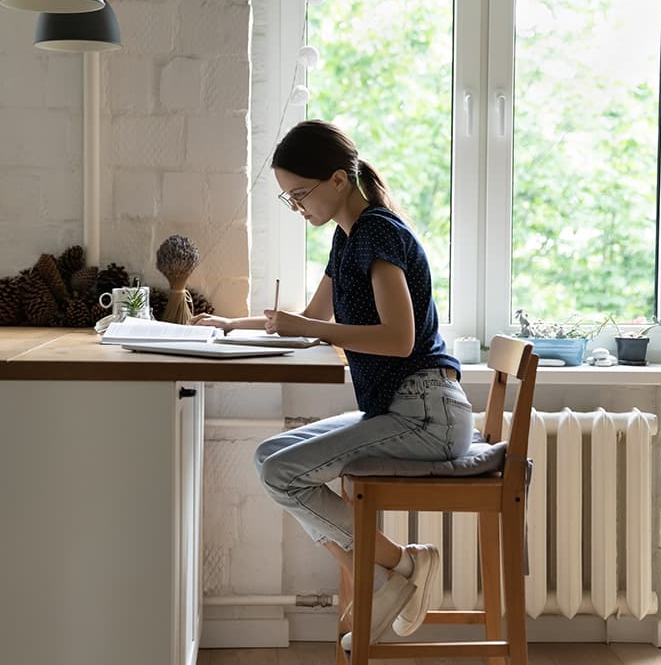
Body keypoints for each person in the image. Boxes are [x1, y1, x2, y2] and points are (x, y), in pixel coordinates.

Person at [189, 120, 473, 648]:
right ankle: (389, 575)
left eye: (300, 194)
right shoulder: (347, 240)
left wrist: (309, 328)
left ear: (339, 180)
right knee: (270, 458)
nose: (297, 207)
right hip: (403, 411)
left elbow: (399, 338)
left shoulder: (378, 233)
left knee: (280, 471)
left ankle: (400, 568)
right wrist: (229, 326)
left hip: (429, 414)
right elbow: (306, 317)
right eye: (287, 198)